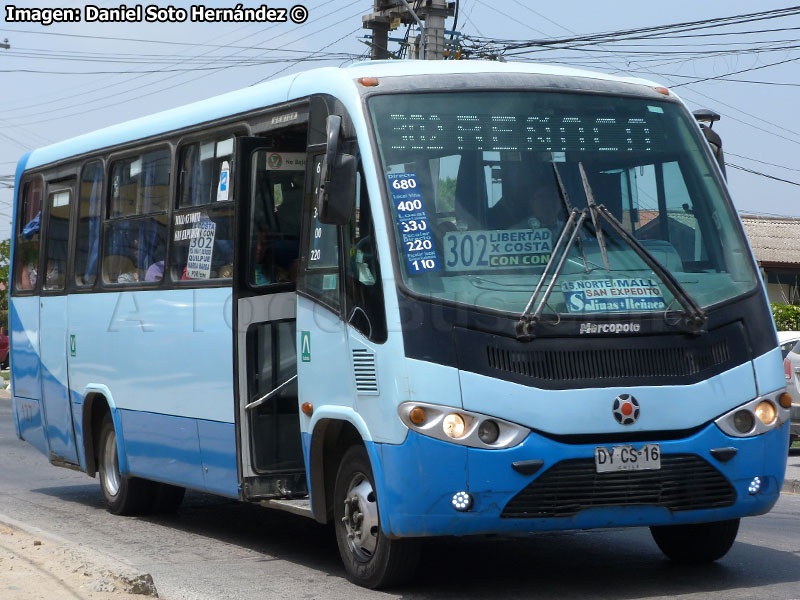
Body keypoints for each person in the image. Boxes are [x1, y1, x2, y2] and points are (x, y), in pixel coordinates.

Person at [487, 160, 563, 232]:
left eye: (553, 196)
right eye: (542, 197)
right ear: (531, 203)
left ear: (560, 202)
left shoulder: (571, 231)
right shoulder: (516, 232)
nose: (549, 202)